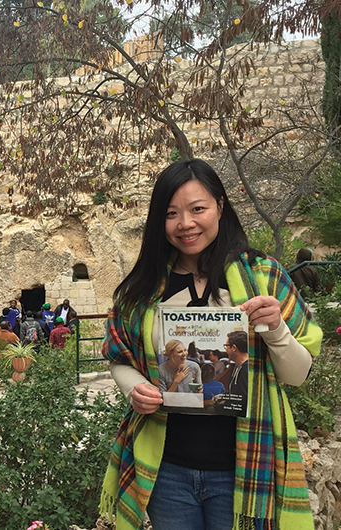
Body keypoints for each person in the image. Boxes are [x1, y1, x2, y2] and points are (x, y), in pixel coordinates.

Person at [100, 159, 321, 530]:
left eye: (197, 208)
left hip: (246, 469)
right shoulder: (144, 287)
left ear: (220, 205)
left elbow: (297, 375)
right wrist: (133, 388)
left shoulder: (264, 276)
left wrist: (276, 329)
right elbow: (118, 355)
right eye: (171, 214)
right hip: (168, 470)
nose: (186, 224)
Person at [214, 331, 250, 416]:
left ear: (234, 348)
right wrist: (223, 395)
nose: (225, 349)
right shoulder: (237, 366)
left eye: (226, 346)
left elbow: (242, 401)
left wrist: (220, 407)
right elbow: (237, 392)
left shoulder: (245, 369)